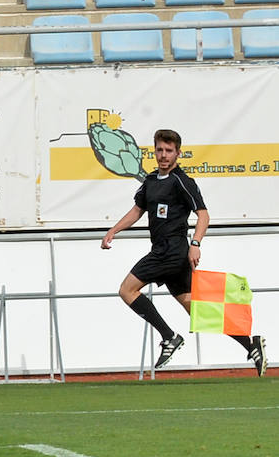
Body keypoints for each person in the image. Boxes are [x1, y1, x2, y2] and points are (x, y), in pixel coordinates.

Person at [101, 129, 267, 375]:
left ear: (178, 153)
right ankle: (250, 343)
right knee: (197, 310)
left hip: (171, 251)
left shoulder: (182, 181)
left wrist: (196, 244)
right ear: (154, 151)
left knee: (126, 290)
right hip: (166, 254)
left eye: (169, 151)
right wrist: (113, 230)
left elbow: (203, 215)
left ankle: (169, 337)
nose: (164, 155)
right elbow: (137, 211)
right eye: (160, 150)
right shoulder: (150, 181)